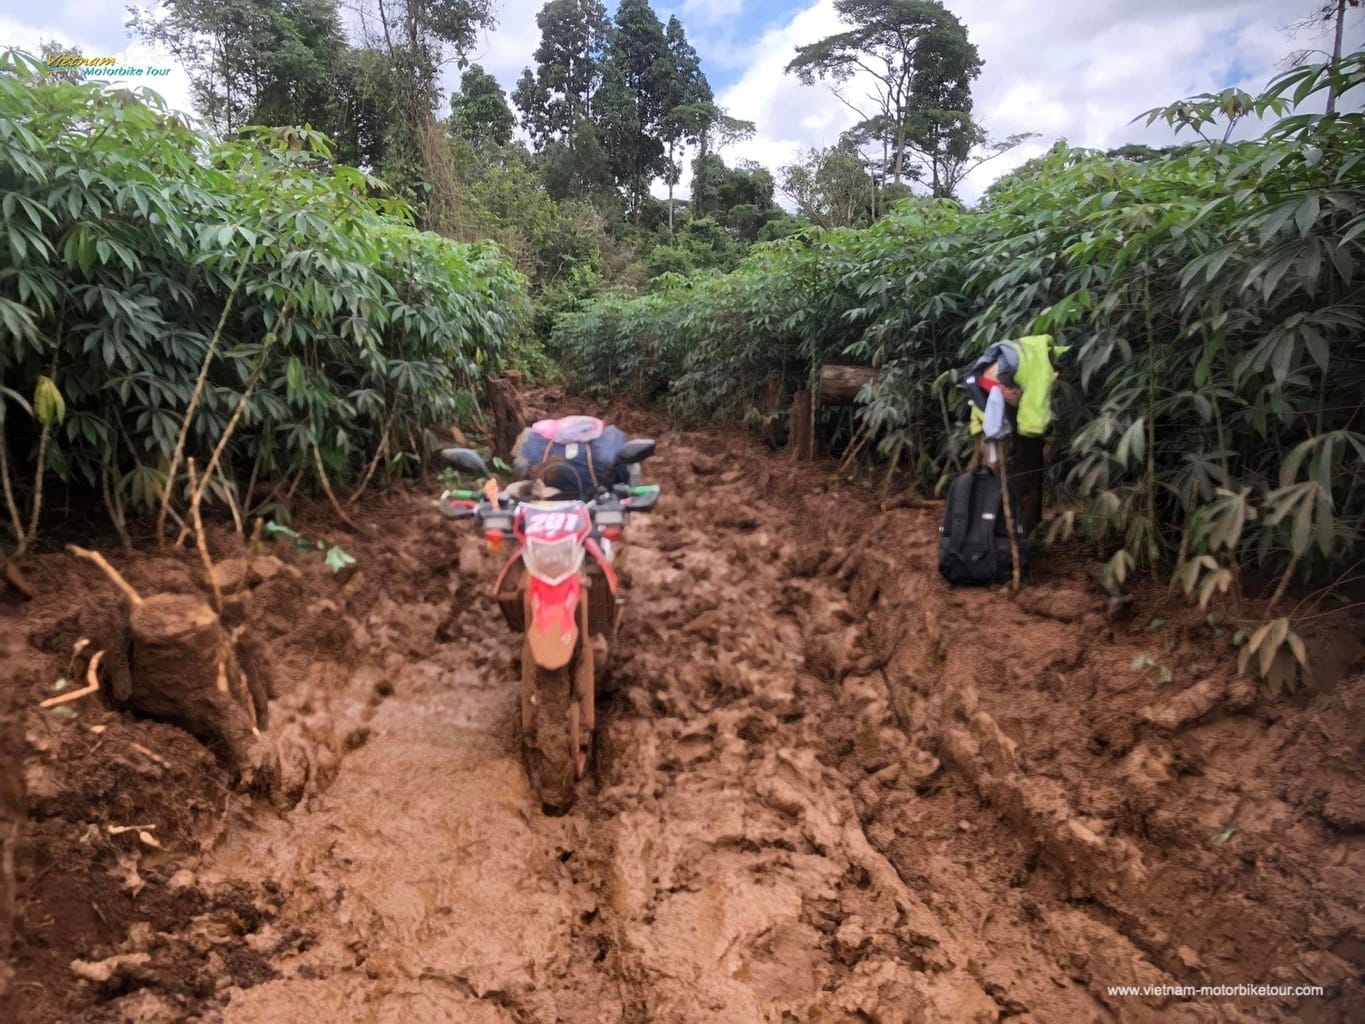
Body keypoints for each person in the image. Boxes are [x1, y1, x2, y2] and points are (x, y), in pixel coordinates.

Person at [962, 334, 1067, 535]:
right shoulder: (1042, 368)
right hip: (994, 413)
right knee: (1004, 474)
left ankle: (977, 521)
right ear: (1056, 369)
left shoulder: (1029, 350)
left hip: (985, 408)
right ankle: (1009, 530)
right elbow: (1032, 422)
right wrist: (1027, 444)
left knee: (987, 472)